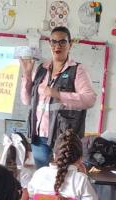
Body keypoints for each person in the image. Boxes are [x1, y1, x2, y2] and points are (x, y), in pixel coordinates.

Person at [20, 26, 97, 168]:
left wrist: (58, 94)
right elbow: (26, 101)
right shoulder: (41, 68)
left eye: (62, 42)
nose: (57, 46)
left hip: (64, 138)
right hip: (39, 137)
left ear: (70, 44)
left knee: (63, 180)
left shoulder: (77, 70)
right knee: (43, 179)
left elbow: (89, 99)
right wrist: (27, 75)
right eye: (53, 42)